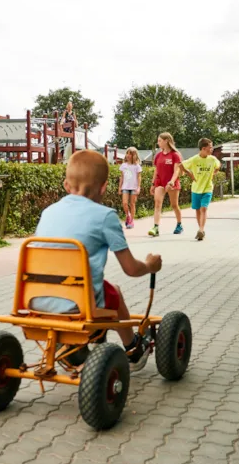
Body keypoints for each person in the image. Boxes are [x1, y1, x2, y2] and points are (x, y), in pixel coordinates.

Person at [31, 150, 162, 371]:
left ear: (65, 184)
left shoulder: (48, 212)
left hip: (36, 298)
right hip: (79, 304)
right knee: (115, 292)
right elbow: (130, 268)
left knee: (99, 288)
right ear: (103, 187)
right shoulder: (105, 216)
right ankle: (133, 348)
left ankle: (71, 348)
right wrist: (149, 265)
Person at [180, 138, 221, 241]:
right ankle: (200, 230)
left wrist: (214, 173)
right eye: (210, 147)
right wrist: (190, 174)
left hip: (207, 189)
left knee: (204, 209)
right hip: (196, 189)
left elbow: (218, 165)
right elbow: (181, 165)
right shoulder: (194, 159)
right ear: (203, 148)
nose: (212, 149)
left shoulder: (212, 159)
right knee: (198, 210)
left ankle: (201, 229)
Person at [148, 132, 184, 237]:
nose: (158, 143)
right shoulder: (158, 155)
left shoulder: (175, 155)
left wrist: (172, 181)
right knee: (158, 204)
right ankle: (156, 227)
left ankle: (179, 224)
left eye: (159, 141)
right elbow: (156, 171)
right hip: (160, 183)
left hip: (171, 183)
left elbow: (177, 171)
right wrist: (153, 184)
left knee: (174, 205)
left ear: (166, 141)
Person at [119, 147, 142, 229]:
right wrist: (120, 187)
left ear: (134, 155)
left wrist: (138, 187)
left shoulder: (137, 166)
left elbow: (139, 177)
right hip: (125, 187)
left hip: (134, 188)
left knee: (132, 204)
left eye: (130, 154)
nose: (128, 155)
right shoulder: (123, 165)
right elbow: (121, 177)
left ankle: (131, 221)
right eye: (127, 153)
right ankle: (128, 215)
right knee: (124, 203)